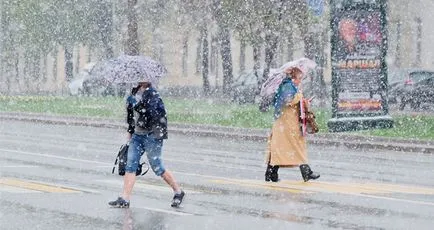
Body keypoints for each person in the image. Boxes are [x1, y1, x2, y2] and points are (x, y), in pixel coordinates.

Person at [109, 81, 185, 208]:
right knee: (130, 165)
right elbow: (131, 115)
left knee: (157, 167)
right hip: (137, 136)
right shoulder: (134, 91)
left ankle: (178, 191)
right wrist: (130, 131)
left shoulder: (153, 94)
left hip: (152, 135)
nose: (139, 78)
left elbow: (151, 114)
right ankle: (125, 198)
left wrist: (137, 104)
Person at [264, 67, 320, 182]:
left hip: (288, 123)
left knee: (282, 148)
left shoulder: (290, 86)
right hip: (286, 124)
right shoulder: (287, 86)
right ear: (293, 76)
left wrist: (303, 100)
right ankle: (304, 172)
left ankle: (271, 173)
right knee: (285, 148)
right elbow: (288, 100)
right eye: (300, 78)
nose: (300, 80)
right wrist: (299, 96)